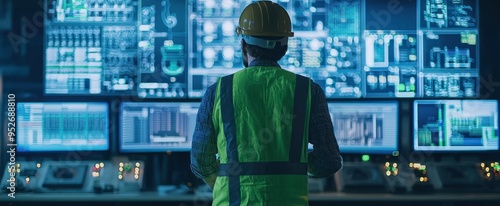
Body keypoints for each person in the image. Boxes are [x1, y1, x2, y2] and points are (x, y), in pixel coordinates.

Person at [190, 1, 343, 205]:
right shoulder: (308, 91)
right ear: (285, 47)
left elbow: (200, 163)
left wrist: (225, 180)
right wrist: (297, 165)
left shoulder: (217, 92)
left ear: (244, 44)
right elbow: (328, 162)